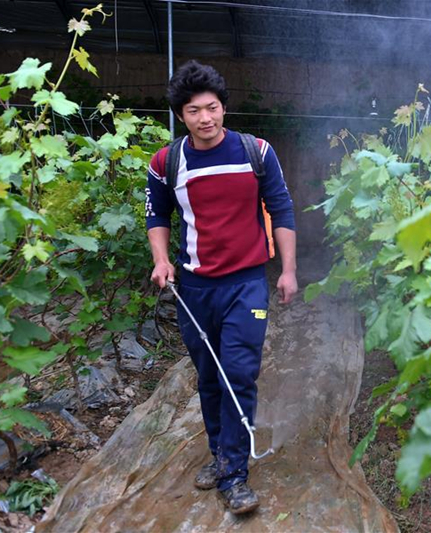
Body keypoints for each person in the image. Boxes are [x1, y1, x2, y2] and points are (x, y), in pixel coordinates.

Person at [145, 60, 297, 515]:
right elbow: (158, 216)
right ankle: (221, 453)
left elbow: (283, 210)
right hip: (194, 288)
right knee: (209, 375)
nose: (205, 118)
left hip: (247, 282)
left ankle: (234, 474)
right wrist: (160, 260)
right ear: (181, 115)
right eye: (194, 111)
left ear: (224, 108)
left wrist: (287, 270)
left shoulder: (257, 152)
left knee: (238, 373)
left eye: (212, 108)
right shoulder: (167, 162)